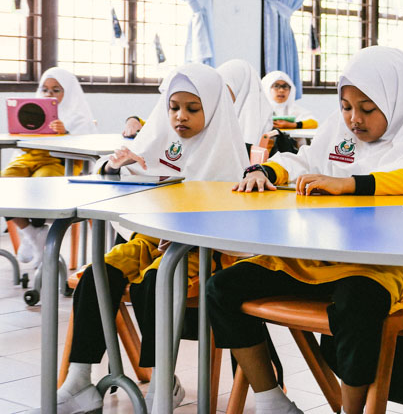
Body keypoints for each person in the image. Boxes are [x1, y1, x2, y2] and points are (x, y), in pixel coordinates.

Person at [216, 46, 403, 414]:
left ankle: (350, 409)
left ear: (397, 102)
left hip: (380, 266)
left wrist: (349, 183)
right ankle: (270, 399)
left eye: (368, 108)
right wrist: (267, 171)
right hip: (317, 259)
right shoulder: (340, 132)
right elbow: (304, 160)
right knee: (223, 288)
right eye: (346, 106)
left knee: (358, 305)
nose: (354, 119)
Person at [56, 63, 248, 414]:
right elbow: (116, 169)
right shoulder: (162, 135)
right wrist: (119, 166)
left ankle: (163, 381)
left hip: (200, 249)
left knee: (154, 282)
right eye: (174, 107)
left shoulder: (226, 150)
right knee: (98, 273)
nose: (179, 117)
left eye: (192, 109)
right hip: (150, 238)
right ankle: (79, 379)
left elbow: (226, 215)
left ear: (214, 108)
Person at [3, 67, 97, 264]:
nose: (49, 94)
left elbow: (86, 145)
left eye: (56, 90)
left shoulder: (77, 115)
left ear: (68, 91)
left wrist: (66, 132)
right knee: (4, 184)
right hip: (28, 159)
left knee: (40, 184)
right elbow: (20, 145)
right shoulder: (31, 111)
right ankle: (32, 233)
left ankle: (36, 233)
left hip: (59, 161)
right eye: (45, 89)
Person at [217, 59, 274, 146]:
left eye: (224, 87)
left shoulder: (266, 127)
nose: (219, 94)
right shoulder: (214, 116)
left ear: (241, 89)